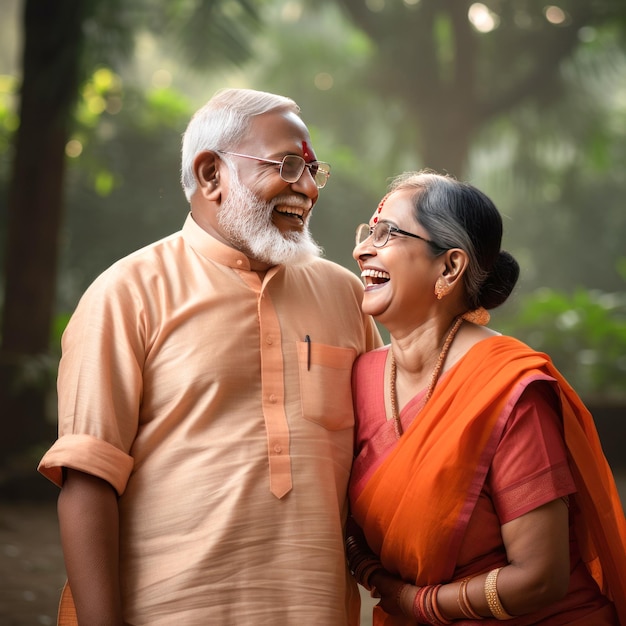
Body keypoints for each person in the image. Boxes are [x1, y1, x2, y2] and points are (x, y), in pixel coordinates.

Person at [38, 87, 381, 625]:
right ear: (210, 175)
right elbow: (88, 481)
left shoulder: (346, 296)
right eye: (289, 166)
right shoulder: (127, 294)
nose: (308, 189)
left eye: (314, 170)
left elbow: (383, 462)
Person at [346, 170, 626, 625]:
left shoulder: (506, 386)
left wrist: (417, 603)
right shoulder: (359, 378)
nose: (362, 249)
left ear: (450, 267)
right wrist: (379, 580)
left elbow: (539, 576)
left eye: (386, 234)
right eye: (366, 233)